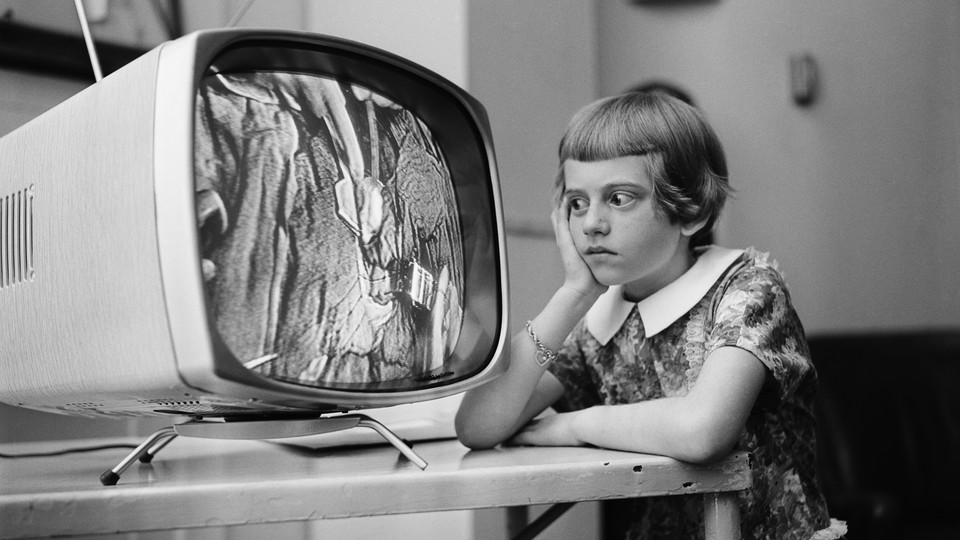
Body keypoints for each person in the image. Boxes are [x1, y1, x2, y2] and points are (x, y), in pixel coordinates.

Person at [455, 92, 846, 540]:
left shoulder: (748, 290)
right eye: (577, 203)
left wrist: (576, 424)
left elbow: (703, 432)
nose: (591, 224)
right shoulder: (601, 318)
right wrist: (573, 294)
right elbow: (478, 425)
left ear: (691, 210)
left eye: (619, 198)